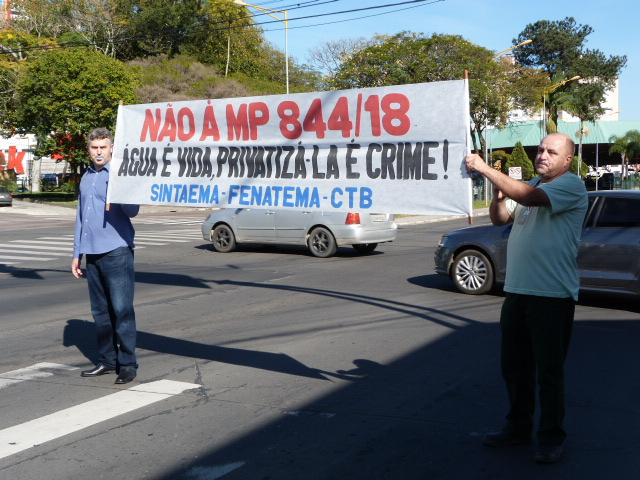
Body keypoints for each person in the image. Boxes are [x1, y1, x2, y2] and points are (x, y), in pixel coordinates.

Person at [465, 133, 588, 464]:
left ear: (567, 160)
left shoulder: (571, 186)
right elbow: (501, 219)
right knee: (515, 369)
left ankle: (551, 438)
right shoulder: (533, 183)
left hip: (551, 295)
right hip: (517, 292)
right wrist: (496, 198)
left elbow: (531, 198)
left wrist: (484, 168)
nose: (543, 155)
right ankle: (517, 429)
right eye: (540, 149)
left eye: (552, 151)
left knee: (549, 372)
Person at [72, 127, 140, 385]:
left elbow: (133, 211)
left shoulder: (122, 175)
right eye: (94, 147)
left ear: (112, 148)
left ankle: (128, 364)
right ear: (88, 150)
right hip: (92, 253)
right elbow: (81, 217)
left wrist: (121, 190)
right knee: (100, 312)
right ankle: (108, 361)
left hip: (117, 250)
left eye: (103, 147)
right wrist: (77, 253)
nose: (99, 152)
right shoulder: (87, 177)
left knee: (122, 310)